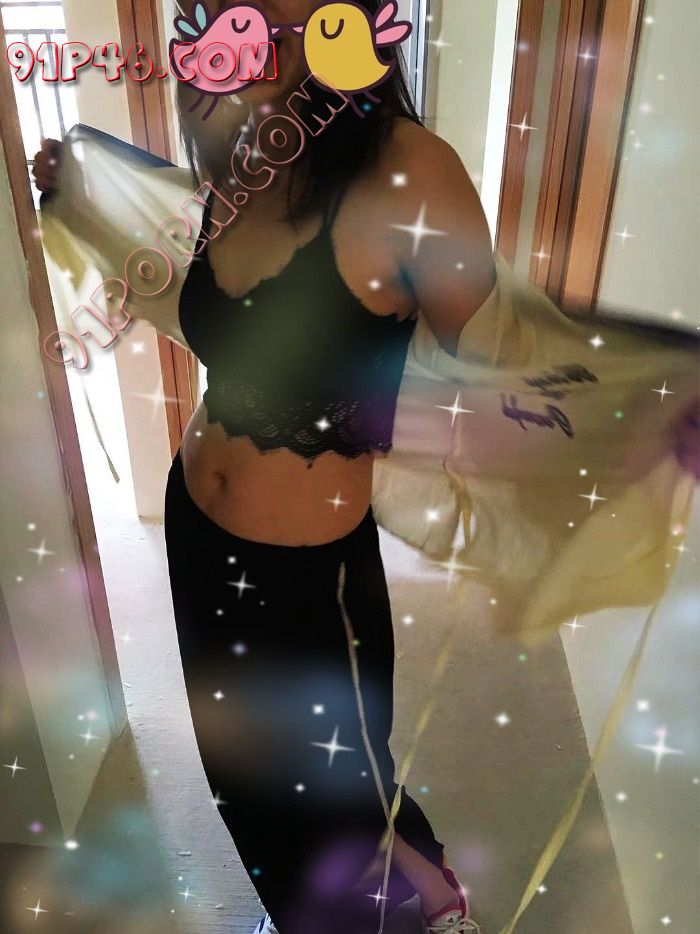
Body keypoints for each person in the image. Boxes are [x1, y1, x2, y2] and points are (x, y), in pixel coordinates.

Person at [33, 2, 699, 932]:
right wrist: (84, 189)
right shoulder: (245, 145)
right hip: (199, 535)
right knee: (245, 780)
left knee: (341, 793)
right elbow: (202, 296)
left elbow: (509, 366)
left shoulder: (410, 172)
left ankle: (427, 911)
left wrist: (640, 409)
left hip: (310, 579)